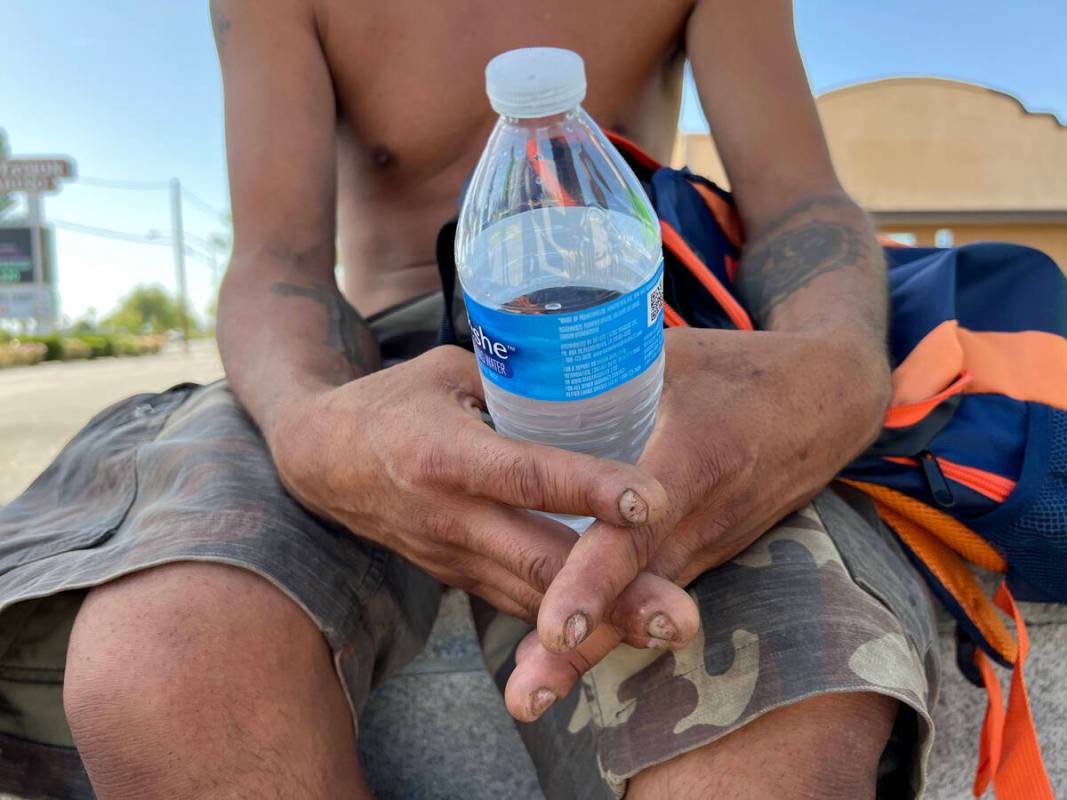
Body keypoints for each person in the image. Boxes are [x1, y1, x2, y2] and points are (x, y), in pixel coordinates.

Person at [0, 1, 940, 798]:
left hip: (615, 345)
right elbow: (276, 258)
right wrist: (308, 430)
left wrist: (838, 373)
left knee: (780, 721)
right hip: (362, 358)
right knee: (164, 665)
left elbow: (799, 203)